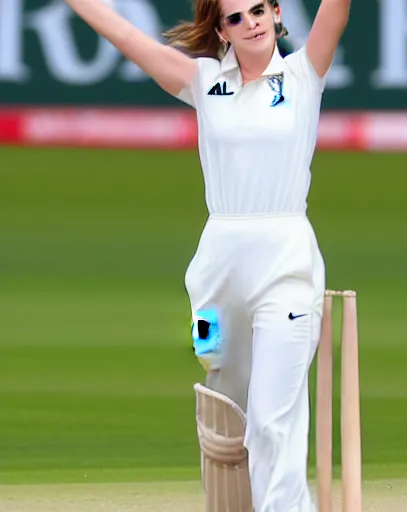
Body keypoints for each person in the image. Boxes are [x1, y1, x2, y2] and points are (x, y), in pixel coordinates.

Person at [63, 0, 350, 510]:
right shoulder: (203, 81)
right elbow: (129, 39)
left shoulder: (304, 74)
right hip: (215, 272)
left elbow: (337, 10)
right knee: (223, 406)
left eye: (259, 10)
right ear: (222, 30)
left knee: (271, 418)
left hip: (286, 262)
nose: (252, 23)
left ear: (278, 12)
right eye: (237, 18)